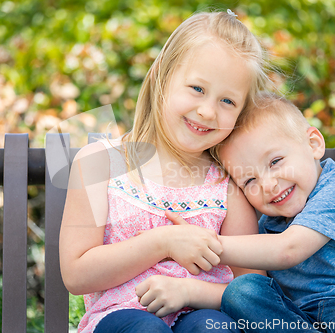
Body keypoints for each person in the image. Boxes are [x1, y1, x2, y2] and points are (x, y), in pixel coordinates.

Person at [59, 10, 270, 333]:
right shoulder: (100, 163)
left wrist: (191, 291)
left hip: (203, 312)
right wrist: (164, 242)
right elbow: (76, 274)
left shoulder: (226, 187)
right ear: (161, 76)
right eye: (197, 88)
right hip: (121, 318)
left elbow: (254, 292)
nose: (207, 110)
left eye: (227, 101)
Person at [202, 92, 335, 332]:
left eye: (275, 162)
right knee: (242, 292)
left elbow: (288, 249)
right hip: (307, 323)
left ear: (314, 144)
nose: (268, 184)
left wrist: (203, 246)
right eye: (250, 180)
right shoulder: (268, 227)